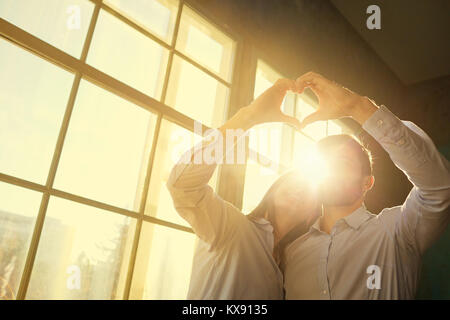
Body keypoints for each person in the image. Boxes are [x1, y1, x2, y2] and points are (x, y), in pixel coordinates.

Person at [283, 72, 450, 299]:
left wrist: (357, 107)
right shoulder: (292, 252)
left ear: (367, 183)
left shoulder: (396, 231)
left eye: (342, 163)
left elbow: (439, 186)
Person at [166, 79, 320, 299]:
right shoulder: (231, 227)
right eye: (293, 181)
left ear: (312, 214)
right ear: (273, 191)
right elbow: (183, 185)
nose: (300, 189)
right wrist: (249, 117)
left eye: (309, 190)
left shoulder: (292, 271)